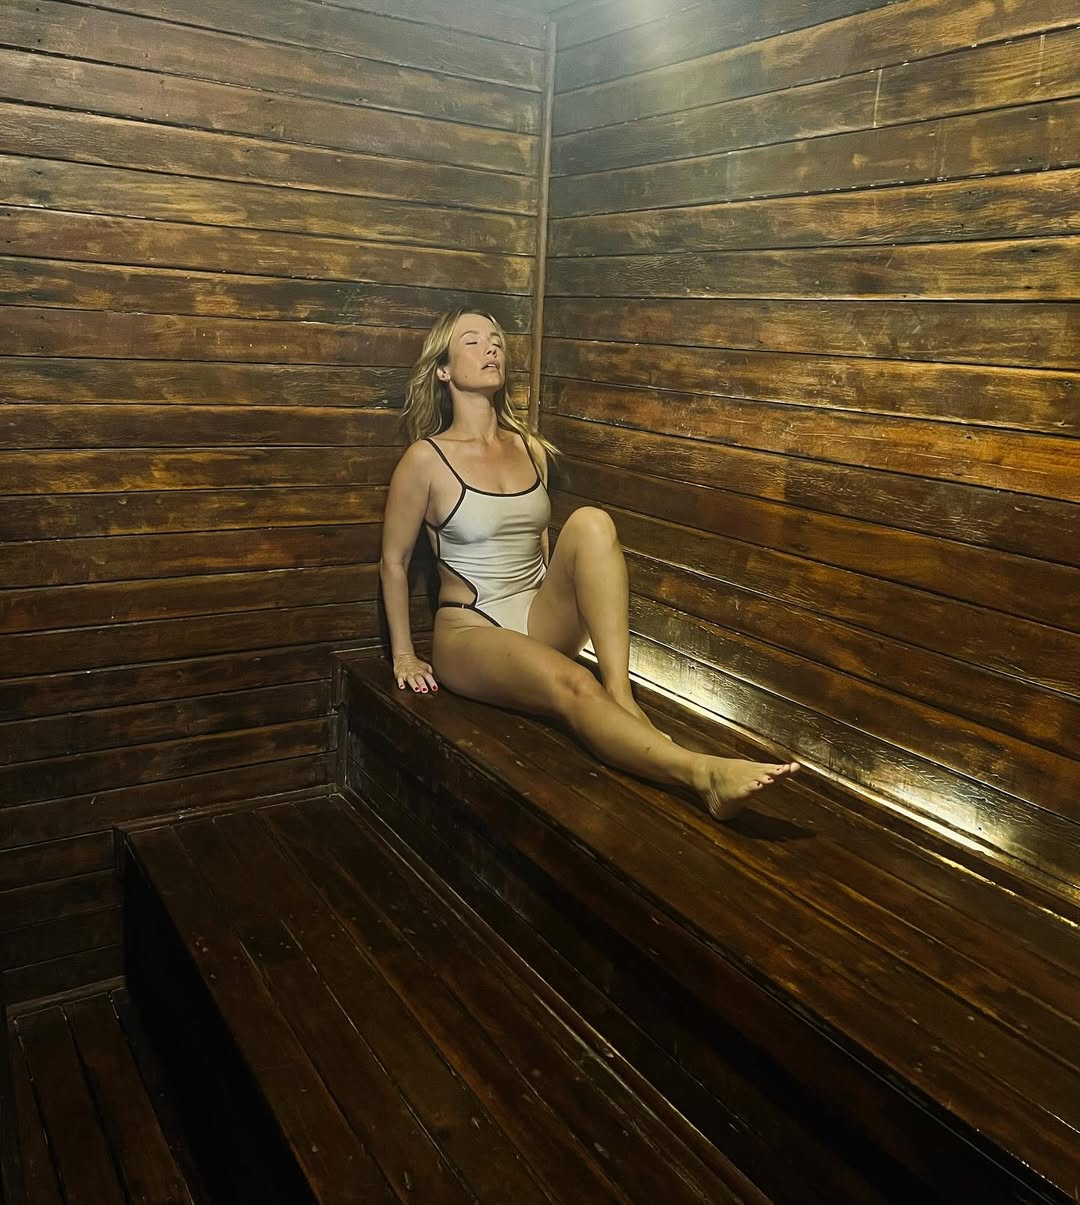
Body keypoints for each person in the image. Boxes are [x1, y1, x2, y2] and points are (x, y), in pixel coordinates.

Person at [379, 309, 797, 819]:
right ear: (443, 369)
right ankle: (702, 774)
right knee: (575, 684)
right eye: (472, 341)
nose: (491, 348)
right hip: (471, 629)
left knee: (593, 522)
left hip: (537, 616)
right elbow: (395, 561)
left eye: (496, 340)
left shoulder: (530, 448)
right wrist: (403, 654)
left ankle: (620, 693)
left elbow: (543, 550)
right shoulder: (425, 459)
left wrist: (556, 606)